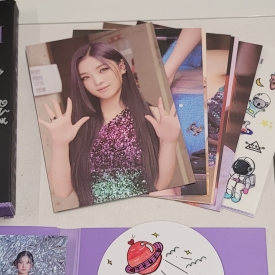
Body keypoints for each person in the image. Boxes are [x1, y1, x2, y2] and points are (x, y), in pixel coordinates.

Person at [38, 42, 181, 206]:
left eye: (103, 69)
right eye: (86, 77)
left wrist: (169, 141)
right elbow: (62, 192)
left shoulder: (153, 117)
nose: (97, 81)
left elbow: (160, 185)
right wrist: (60, 144)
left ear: (122, 67)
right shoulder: (77, 126)